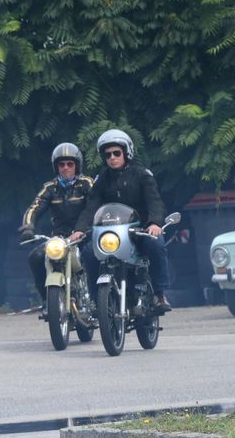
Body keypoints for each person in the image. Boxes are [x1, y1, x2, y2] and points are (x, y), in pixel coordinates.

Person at [71, 128, 172, 310]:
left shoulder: (142, 175)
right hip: (111, 233)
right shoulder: (102, 179)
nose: (112, 158)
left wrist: (154, 223)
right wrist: (80, 229)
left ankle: (159, 294)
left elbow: (155, 202)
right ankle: (96, 301)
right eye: (107, 154)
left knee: (156, 244)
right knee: (88, 252)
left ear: (126, 152)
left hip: (139, 230)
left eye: (116, 153)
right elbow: (91, 206)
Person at [19, 142, 93, 314]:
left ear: (77, 165)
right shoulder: (50, 188)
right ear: (56, 167)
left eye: (70, 164)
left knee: (92, 256)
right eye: (61, 164)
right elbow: (35, 207)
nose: (65, 168)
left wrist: (81, 229)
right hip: (60, 238)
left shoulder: (86, 184)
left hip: (85, 235)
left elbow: (92, 207)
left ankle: (98, 298)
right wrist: (28, 227)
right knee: (35, 257)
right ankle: (47, 300)